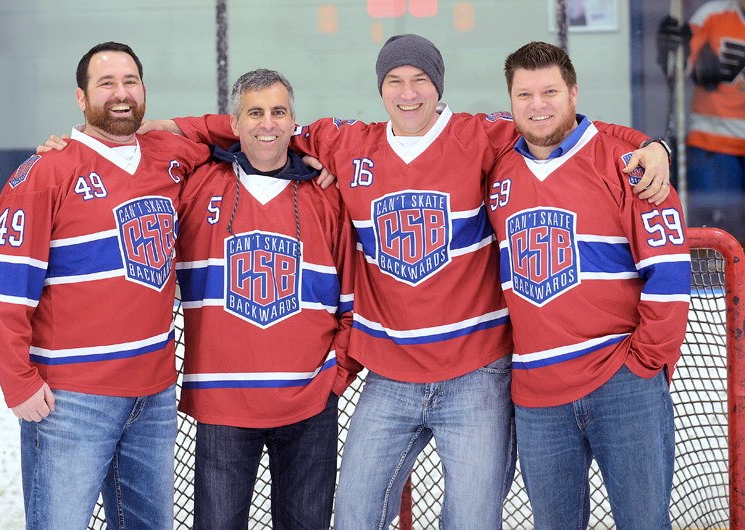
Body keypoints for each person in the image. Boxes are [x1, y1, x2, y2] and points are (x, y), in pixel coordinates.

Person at [145, 34, 671, 529]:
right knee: (352, 514)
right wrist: (175, 125)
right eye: (394, 80)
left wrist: (648, 144)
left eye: (420, 79)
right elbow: (266, 128)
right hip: (390, 375)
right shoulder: (348, 144)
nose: (408, 92)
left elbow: (561, 124)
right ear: (380, 89)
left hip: (477, 374)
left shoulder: (483, 134)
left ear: (438, 87)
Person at [0, 42, 210, 529]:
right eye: (106, 84)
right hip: (71, 400)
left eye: (130, 81)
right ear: (81, 99)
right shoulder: (45, 172)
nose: (121, 93)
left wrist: (173, 126)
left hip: (153, 395)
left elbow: (246, 132)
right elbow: (6, 292)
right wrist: (18, 383)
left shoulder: (169, 156)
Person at [486, 41, 691, 529]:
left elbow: (668, 270)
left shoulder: (628, 163)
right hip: (537, 396)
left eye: (551, 91)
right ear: (509, 102)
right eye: (525, 94)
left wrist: (645, 362)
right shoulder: (496, 169)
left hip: (621, 383)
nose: (538, 105)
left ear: (574, 93)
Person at [175, 69, 360, 529]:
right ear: (233, 123)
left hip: (309, 404)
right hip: (223, 405)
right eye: (254, 113)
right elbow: (139, 138)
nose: (267, 124)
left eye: (279, 112)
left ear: (294, 121)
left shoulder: (326, 197)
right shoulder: (198, 184)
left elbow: (353, 300)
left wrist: (334, 376)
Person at [657, 1, 745, 232]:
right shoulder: (713, 15)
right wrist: (671, 50)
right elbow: (678, 68)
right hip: (713, 140)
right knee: (718, 227)